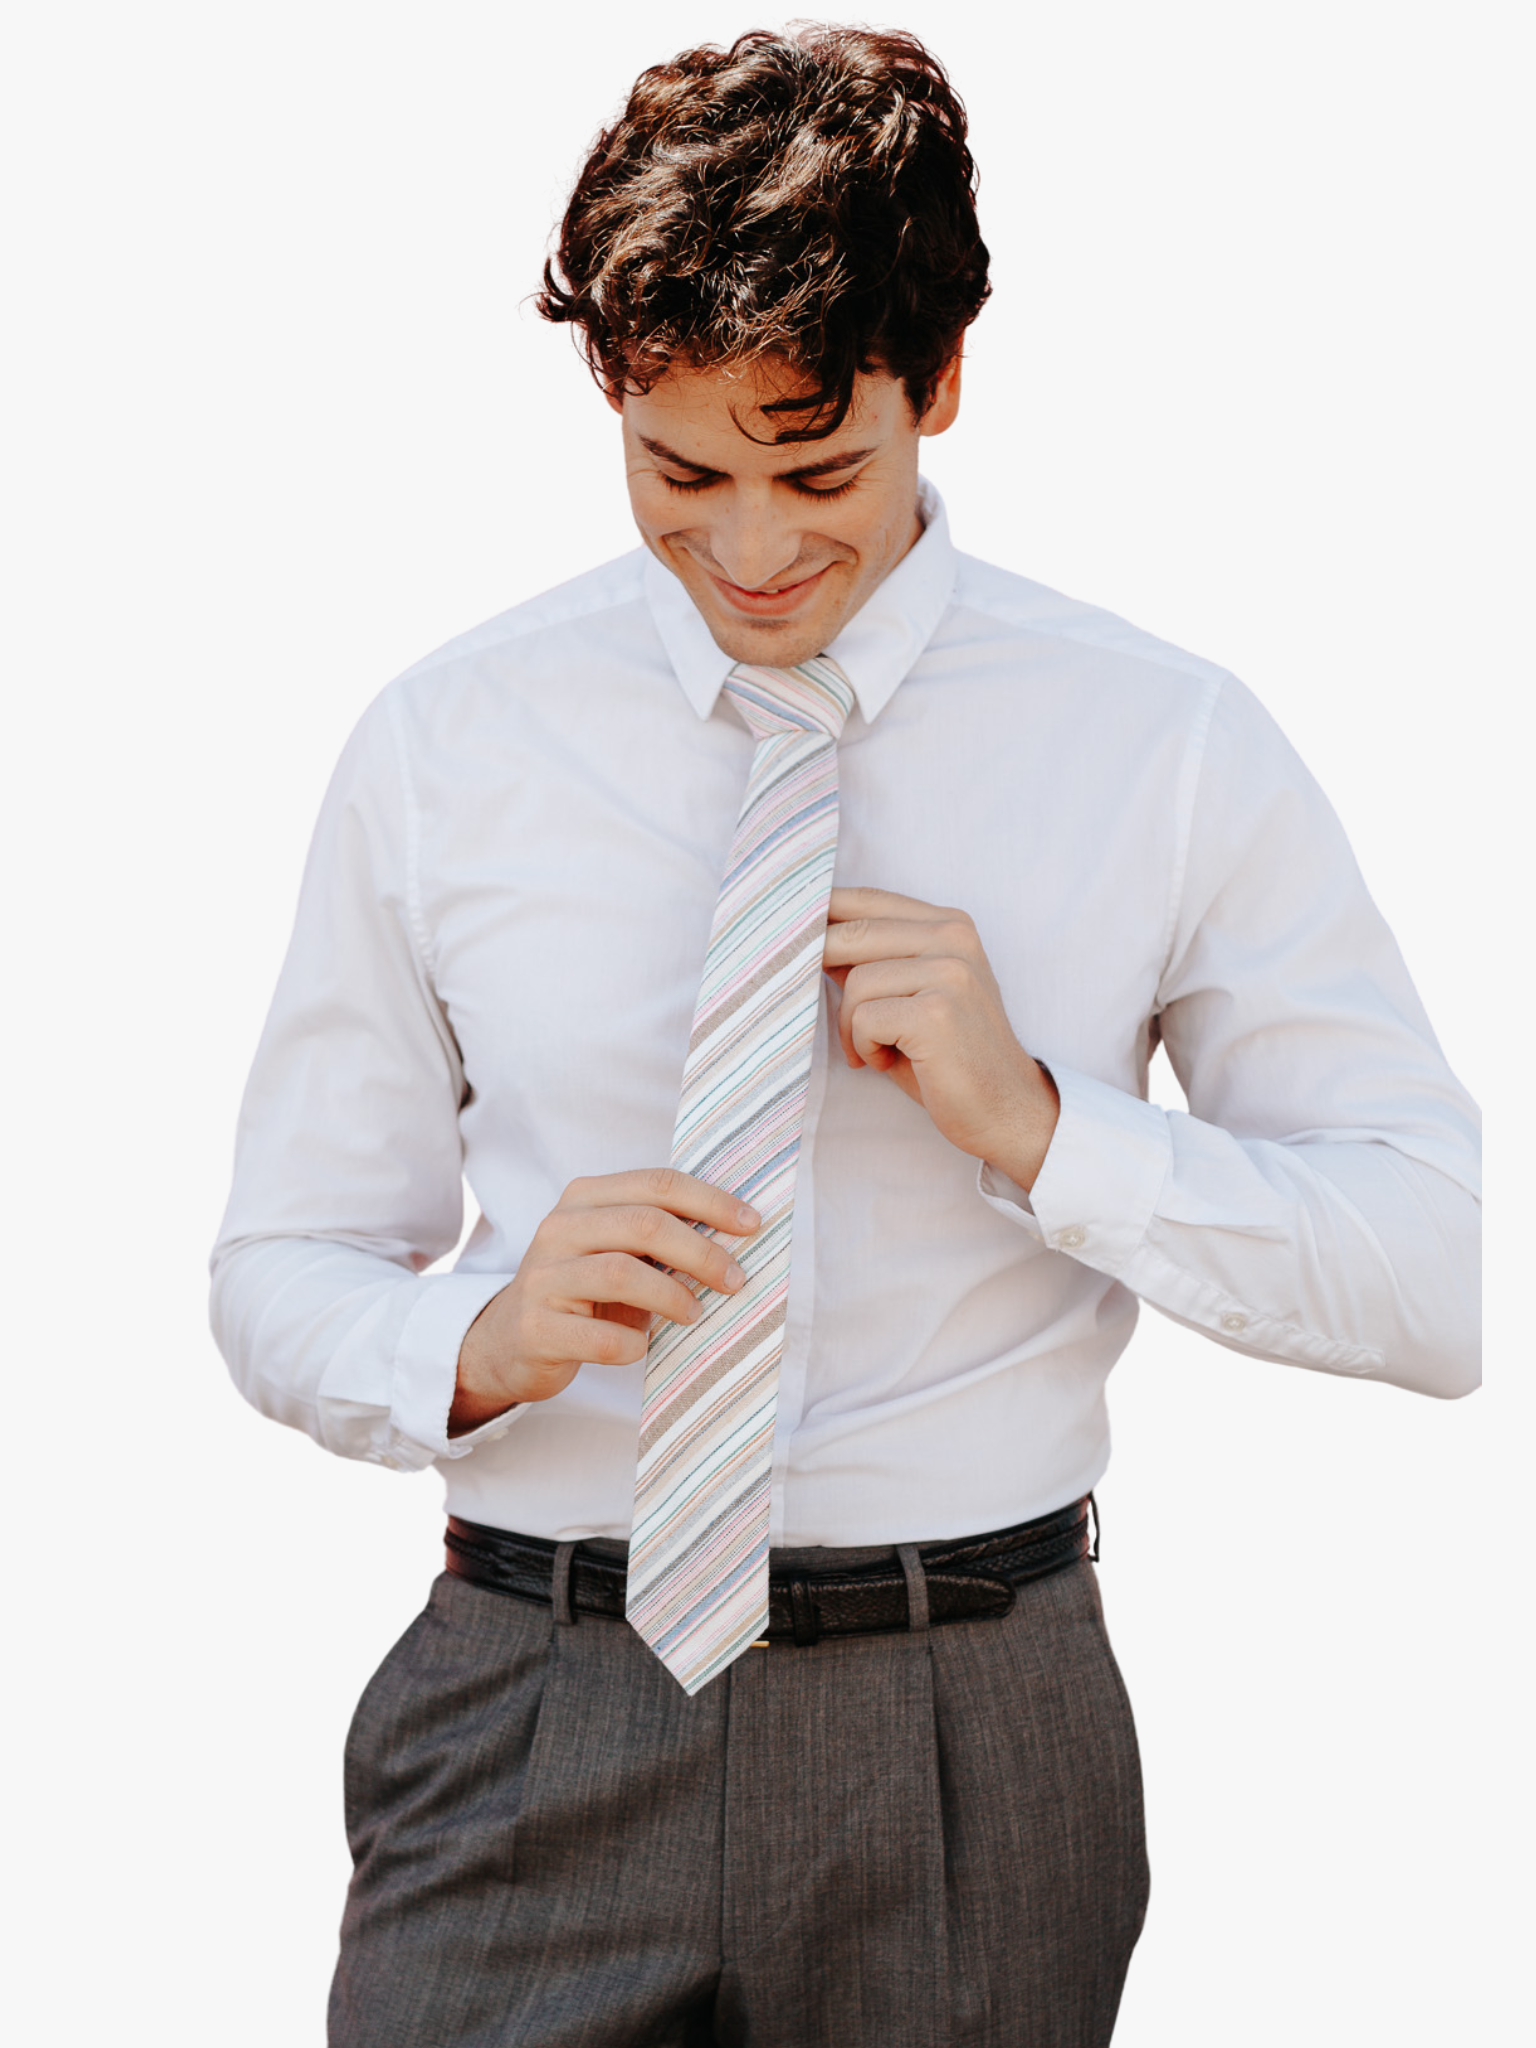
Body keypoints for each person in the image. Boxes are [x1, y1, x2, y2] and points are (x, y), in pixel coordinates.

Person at [210, 23, 1481, 2047]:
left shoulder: (1163, 746)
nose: (750, 549)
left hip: (972, 1720)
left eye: (819, 468)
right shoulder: (447, 747)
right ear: (612, 392)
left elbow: (1433, 1271)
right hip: (534, 1697)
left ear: (942, 382)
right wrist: (479, 1336)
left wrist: (1047, 1125)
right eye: (678, 474)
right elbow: (279, 1266)